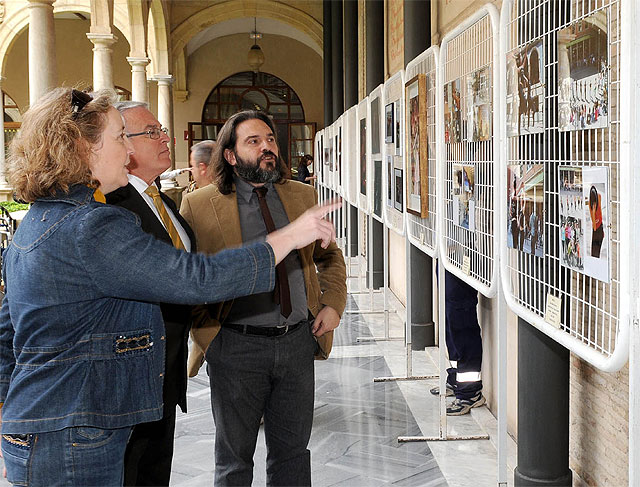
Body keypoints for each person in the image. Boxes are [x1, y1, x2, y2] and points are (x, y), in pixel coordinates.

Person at [0, 88, 338, 486]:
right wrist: (288, 237)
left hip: (47, 422)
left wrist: (15, 421)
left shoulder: (42, 220)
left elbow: (9, 331)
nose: (127, 152)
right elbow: (196, 278)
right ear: (81, 146)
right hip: (76, 429)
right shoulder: (92, 226)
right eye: (119, 137)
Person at [180, 110, 347, 486]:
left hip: (296, 344)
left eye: (270, 139)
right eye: (253, 142)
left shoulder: (302, 195)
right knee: (234, 460)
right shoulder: (200, 205)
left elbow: (329, 256)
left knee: (292, 455)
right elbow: (189, 275)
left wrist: (333, 304)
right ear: (230, 155)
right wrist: (209, 335)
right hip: (235, 346)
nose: (267, 147)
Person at [104, 101, 194, 486]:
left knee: (157, 473)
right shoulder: (111, 207)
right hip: (129, 380)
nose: (165, 138)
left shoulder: (164, 202)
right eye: (152, 132)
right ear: (124, 146)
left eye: (162, 130)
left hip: (165, 372)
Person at [431, 270, 485, 415]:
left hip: (462, 258)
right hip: (449, 258)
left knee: (462, 325)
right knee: (450, 323)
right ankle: (456, 378)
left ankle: (470, 393)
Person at [588, 185, 604, 258]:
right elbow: (594, 227)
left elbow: (600, 213)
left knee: (597, 249)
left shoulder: (599, 197)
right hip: (596, 229)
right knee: (595, 252)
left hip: (599, 227)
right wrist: (593, 212)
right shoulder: (590, 205)